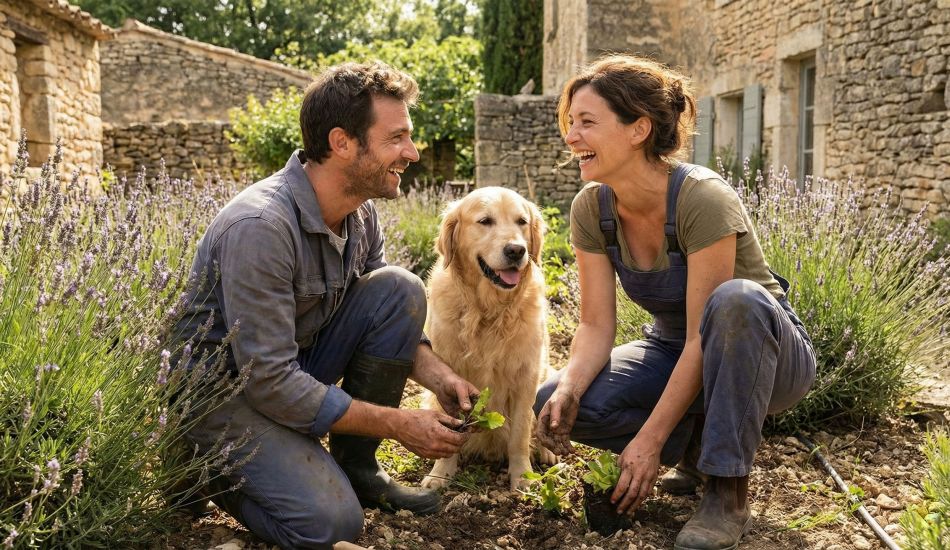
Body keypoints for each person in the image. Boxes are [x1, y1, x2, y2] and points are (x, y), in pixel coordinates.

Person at [173, 61, 478, 550]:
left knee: (398, 288)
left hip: (286, 370)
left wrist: (440, 377)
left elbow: (381, 317)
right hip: (222, 394)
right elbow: (268, 381)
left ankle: (358, 470)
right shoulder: (261, 228)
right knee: (329, 524)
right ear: (342, 143)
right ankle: (204, 470)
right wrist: (399, 424)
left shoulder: (360, 213)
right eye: (396, 138)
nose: (413, 152)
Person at [533, 55, 816, 550]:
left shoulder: (701, 197)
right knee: (558, 401)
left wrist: (649, 440)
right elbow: (595, 325)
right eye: (570, 123)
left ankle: (727, 492)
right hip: (672, 348)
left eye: (587, 122)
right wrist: (570, 388)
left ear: (638, 129)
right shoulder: (592, 209)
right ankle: (698, 446)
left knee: (736, 300)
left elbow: (703, 337)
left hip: (763, 355)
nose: (571, 137)